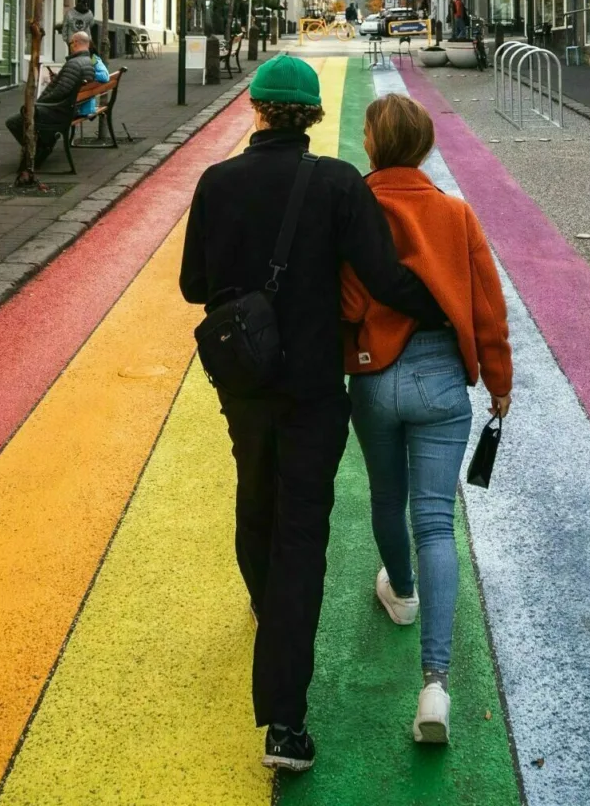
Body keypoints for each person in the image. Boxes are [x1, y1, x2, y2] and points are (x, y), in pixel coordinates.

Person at [179, 57, 444, 775]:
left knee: (254, 502)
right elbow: (386, 278)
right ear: (314, 116)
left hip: (244, 383)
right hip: (314, 390)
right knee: (302, 531)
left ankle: (274, 621)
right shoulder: (335, 184)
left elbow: (192, 284)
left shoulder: (216, 181)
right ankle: (285, 725)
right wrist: (446, 305)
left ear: (257, 107)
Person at [340, 94, 512, 746]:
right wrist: (499, 382)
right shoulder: (454, 212)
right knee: (437, 521)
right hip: (443, 378)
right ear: (425, 144)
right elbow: (488, 308)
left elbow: (349, 298)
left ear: (372, 143)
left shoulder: (358, 210)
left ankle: (402, 593)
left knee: (389, 496)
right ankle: (435, 685)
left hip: (375, 374)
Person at [4, 31, 95, 168]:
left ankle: (41, 146)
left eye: (70, 43)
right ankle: (45, 140)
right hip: (72, 108)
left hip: (60, 110)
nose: (70, 45)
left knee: (14, 121)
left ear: (75, 43)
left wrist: (39, 103)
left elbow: (60, 91)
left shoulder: (74, 64)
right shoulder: (88, 62)